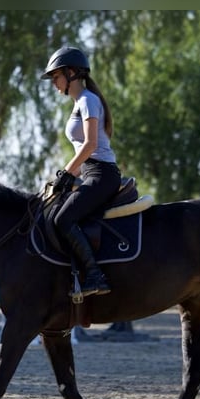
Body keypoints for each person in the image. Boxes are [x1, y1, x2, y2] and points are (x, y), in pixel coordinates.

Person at [41, 45, 122, 297]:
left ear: (72, 73)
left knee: (62, 219)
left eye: (56, 76)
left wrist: (66, 173)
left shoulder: (88, 100)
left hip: (101, 174)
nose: (54, 83)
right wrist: (69, 175)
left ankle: (95, 276)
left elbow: (90, 145)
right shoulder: (80, 103)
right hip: (88, 171)